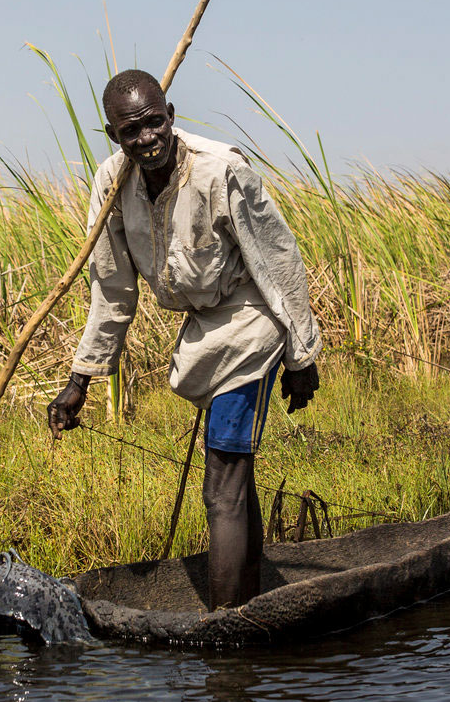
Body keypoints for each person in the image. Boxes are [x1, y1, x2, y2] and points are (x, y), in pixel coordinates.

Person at [46, 69, 322, 608]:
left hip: (250, 319)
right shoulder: (110, 185)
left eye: (155, 123)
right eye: (132, 132)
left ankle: (226, 628)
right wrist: (80, 379)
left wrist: (300, 354)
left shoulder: (221, 170)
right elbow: (112, 288)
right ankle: (251, 602)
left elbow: (279, 261)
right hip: (203, 330)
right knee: (235, 475)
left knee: (221, 486)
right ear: (115, 136)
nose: (147, 140)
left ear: (170, 116)